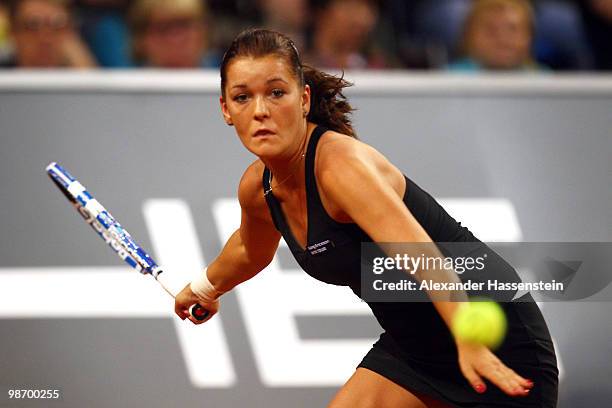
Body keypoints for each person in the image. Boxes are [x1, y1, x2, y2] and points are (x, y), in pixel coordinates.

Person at [174, 29, 558, 407]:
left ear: (303, 98)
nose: (260, 111)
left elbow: (417, 251)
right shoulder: (259, 188)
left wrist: (468, 336)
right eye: (243, 97)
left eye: (276, 93)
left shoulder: (339, 167)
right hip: (414, 347)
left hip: (491, 338)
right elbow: (248, 249)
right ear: (226, 108)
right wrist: (206, 288)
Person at [448, 0, 545, 71]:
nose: (502, 39)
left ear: (530, 36)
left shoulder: (547, 82)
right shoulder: (447, 79)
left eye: (512, 29)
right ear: (469, 36)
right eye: (491, 30)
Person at [3, 0, 96, 68]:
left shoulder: (79, 75)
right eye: (33, 26)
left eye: (57, 26)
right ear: (12, 32)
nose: (46, 38)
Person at [128, 0, 220, 69]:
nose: (175, 40)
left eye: (184, 25)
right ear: (141, 38)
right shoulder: (122, 85)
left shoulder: (227, 84)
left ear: (204, 31)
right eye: (162, 28)